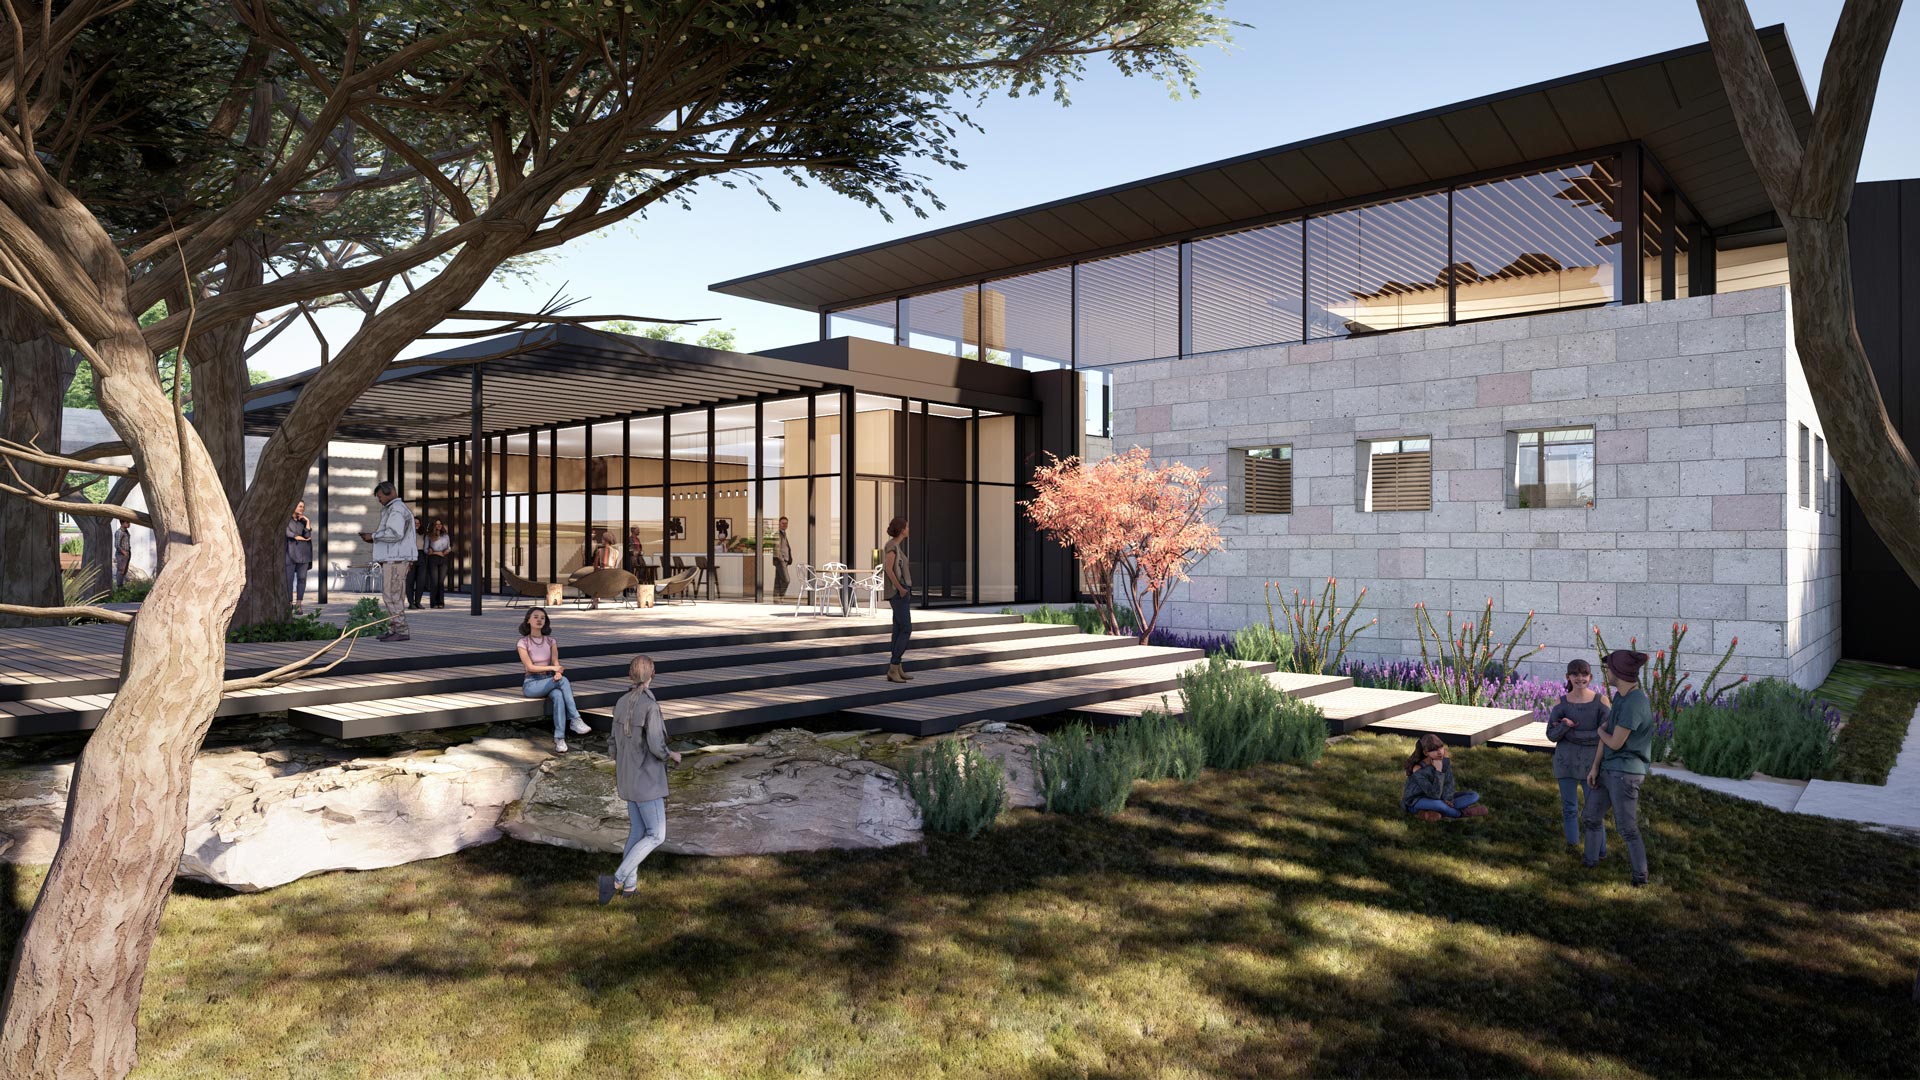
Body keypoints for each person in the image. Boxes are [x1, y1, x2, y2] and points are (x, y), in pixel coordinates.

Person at [599, 654, 681, 905]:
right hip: (647, 780)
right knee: (656, 835)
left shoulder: (620, 702)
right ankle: (615, 880)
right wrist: (673, 755)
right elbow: (656, 746)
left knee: (637, 831)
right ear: (653, 674)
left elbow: (612, 744)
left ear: (630, 675)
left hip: (627, 777)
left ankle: (630, 888)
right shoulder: (650, 706)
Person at [1585, 649, 1654, 886]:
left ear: (1620, 672)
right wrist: (1595, 767)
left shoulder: (1634, 704)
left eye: (1609, 668)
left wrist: (1599, 731)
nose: (1606, 672)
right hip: (1608, 769)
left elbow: (1614, 740)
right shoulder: (1621, 698)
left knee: (1626, 828)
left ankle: (1640, 878)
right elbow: (1609, 737)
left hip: (1625, 774)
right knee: (1591, 816)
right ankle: (1590, 862)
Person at [1545, 658, 1609, 854]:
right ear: (1568, 677)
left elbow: (1607, 734)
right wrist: (1565, 726)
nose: (1580, 678)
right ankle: (1572, 846)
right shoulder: (1561, 702)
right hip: (1566, 762)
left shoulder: (1601, 701)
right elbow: (1551, 735)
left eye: (1584, 674)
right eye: (1575, 674)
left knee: (1594, 810)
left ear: (1590, 677)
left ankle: (1600, 850)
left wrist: (1573, 734)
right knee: (1569, 808)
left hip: (1592, 764)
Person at [518, 606, 589, 753]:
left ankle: (559, 739)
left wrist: (558, 672)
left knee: (558, 695)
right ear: (528, 620)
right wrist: (553, 669)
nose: (539, 620)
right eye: (536, 617)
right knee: (563, 682)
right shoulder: (523, 643)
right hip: (532, 684)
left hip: (549, 680)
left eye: (542, 618)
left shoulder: (551, 641)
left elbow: (556, 663)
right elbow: (530, 667)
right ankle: (575, 719)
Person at [357, 481, 417, 641]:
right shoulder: (395, 508)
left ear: (389, 492)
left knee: (393, 595)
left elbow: (394, 533)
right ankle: (394, 628)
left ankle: (401, 630)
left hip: (395, 560)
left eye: (380, 496)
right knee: (393, 595)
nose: (379, 500)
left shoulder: (396, 509)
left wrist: (373, 536)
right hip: (395, 559)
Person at [1401, 733, 1490, 820]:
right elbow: (1434, 794)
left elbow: (1448, 782)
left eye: (1441, 747)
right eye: (1434, 749)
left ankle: (1432, 812)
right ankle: (1461, 813)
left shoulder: (1442, 760)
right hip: (1416, 800)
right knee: (1439, 805)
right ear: (1426, 753)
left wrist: (1448, 799)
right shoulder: (1418, 769)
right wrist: (1438, 771)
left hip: (1439, 797)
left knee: (1474, 795)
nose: (1439, 752)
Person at [881, 516, 913, 682]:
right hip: (898, 593)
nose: (908, 529)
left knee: (898, 629)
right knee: (906, 628)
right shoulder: (891, 546)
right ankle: (894, 666)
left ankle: (896, 668)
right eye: (907, 526)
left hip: (901, 592)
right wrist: (900, 589)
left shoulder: (896, 546)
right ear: (901, 529)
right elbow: (888, 569)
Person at [285, 501, 314, 611]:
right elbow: (289, 534)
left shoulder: (303, 521)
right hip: (290, 554)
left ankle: (299, 604)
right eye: (300, 506)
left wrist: (307, 522)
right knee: (289, 580)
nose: (302, 508)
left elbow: (307, 535)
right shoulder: (287, 520)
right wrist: (301, 538)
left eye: (303, 507)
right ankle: (289, 603)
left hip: (304, 554)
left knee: (302, 579)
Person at [423, 519, 451, 608]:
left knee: (441, 582)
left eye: (440, 524)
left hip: (444, 559)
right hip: (433, 559)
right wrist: (436, 553)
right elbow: (425, 550)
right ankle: (433, 603)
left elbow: (449, 547)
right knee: (434, 581)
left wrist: (448, 550)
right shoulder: (429, 536)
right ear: (433, 525)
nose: (438, 526)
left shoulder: (446, 536)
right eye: (436, 524)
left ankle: (441, 602)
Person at [405, 514, 426, 609]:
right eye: (414, 523)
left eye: (418, 523)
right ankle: (411, 603)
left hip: (421, 555)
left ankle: (418, 602)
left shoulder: (422, 533)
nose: (416, 524)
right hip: (410, 556)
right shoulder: (407, 533)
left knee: (421, 581)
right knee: (410, 581)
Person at [772, 515, 793, 600]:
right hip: (780, 560)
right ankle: (781, 596)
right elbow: (776, 548)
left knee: (778, 580)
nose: (785, 525)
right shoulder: (777, 534)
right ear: (779, 524)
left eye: (786, 523)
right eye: (783, 523)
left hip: (784, 560)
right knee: (786, 580)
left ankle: (776, 598)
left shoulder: (784, 533)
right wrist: (782, 559)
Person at [113, 520, 132, 590]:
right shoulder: (119, 532)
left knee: (125, 570)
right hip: (121, 554)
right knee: (120, 570)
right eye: (127, 522)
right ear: (122, 523)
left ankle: (122, 586)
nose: (129, 524)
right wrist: (123, 552)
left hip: (127, 552)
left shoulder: (126, 531)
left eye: (129, 522)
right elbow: (117, 545)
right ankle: (119, 587)